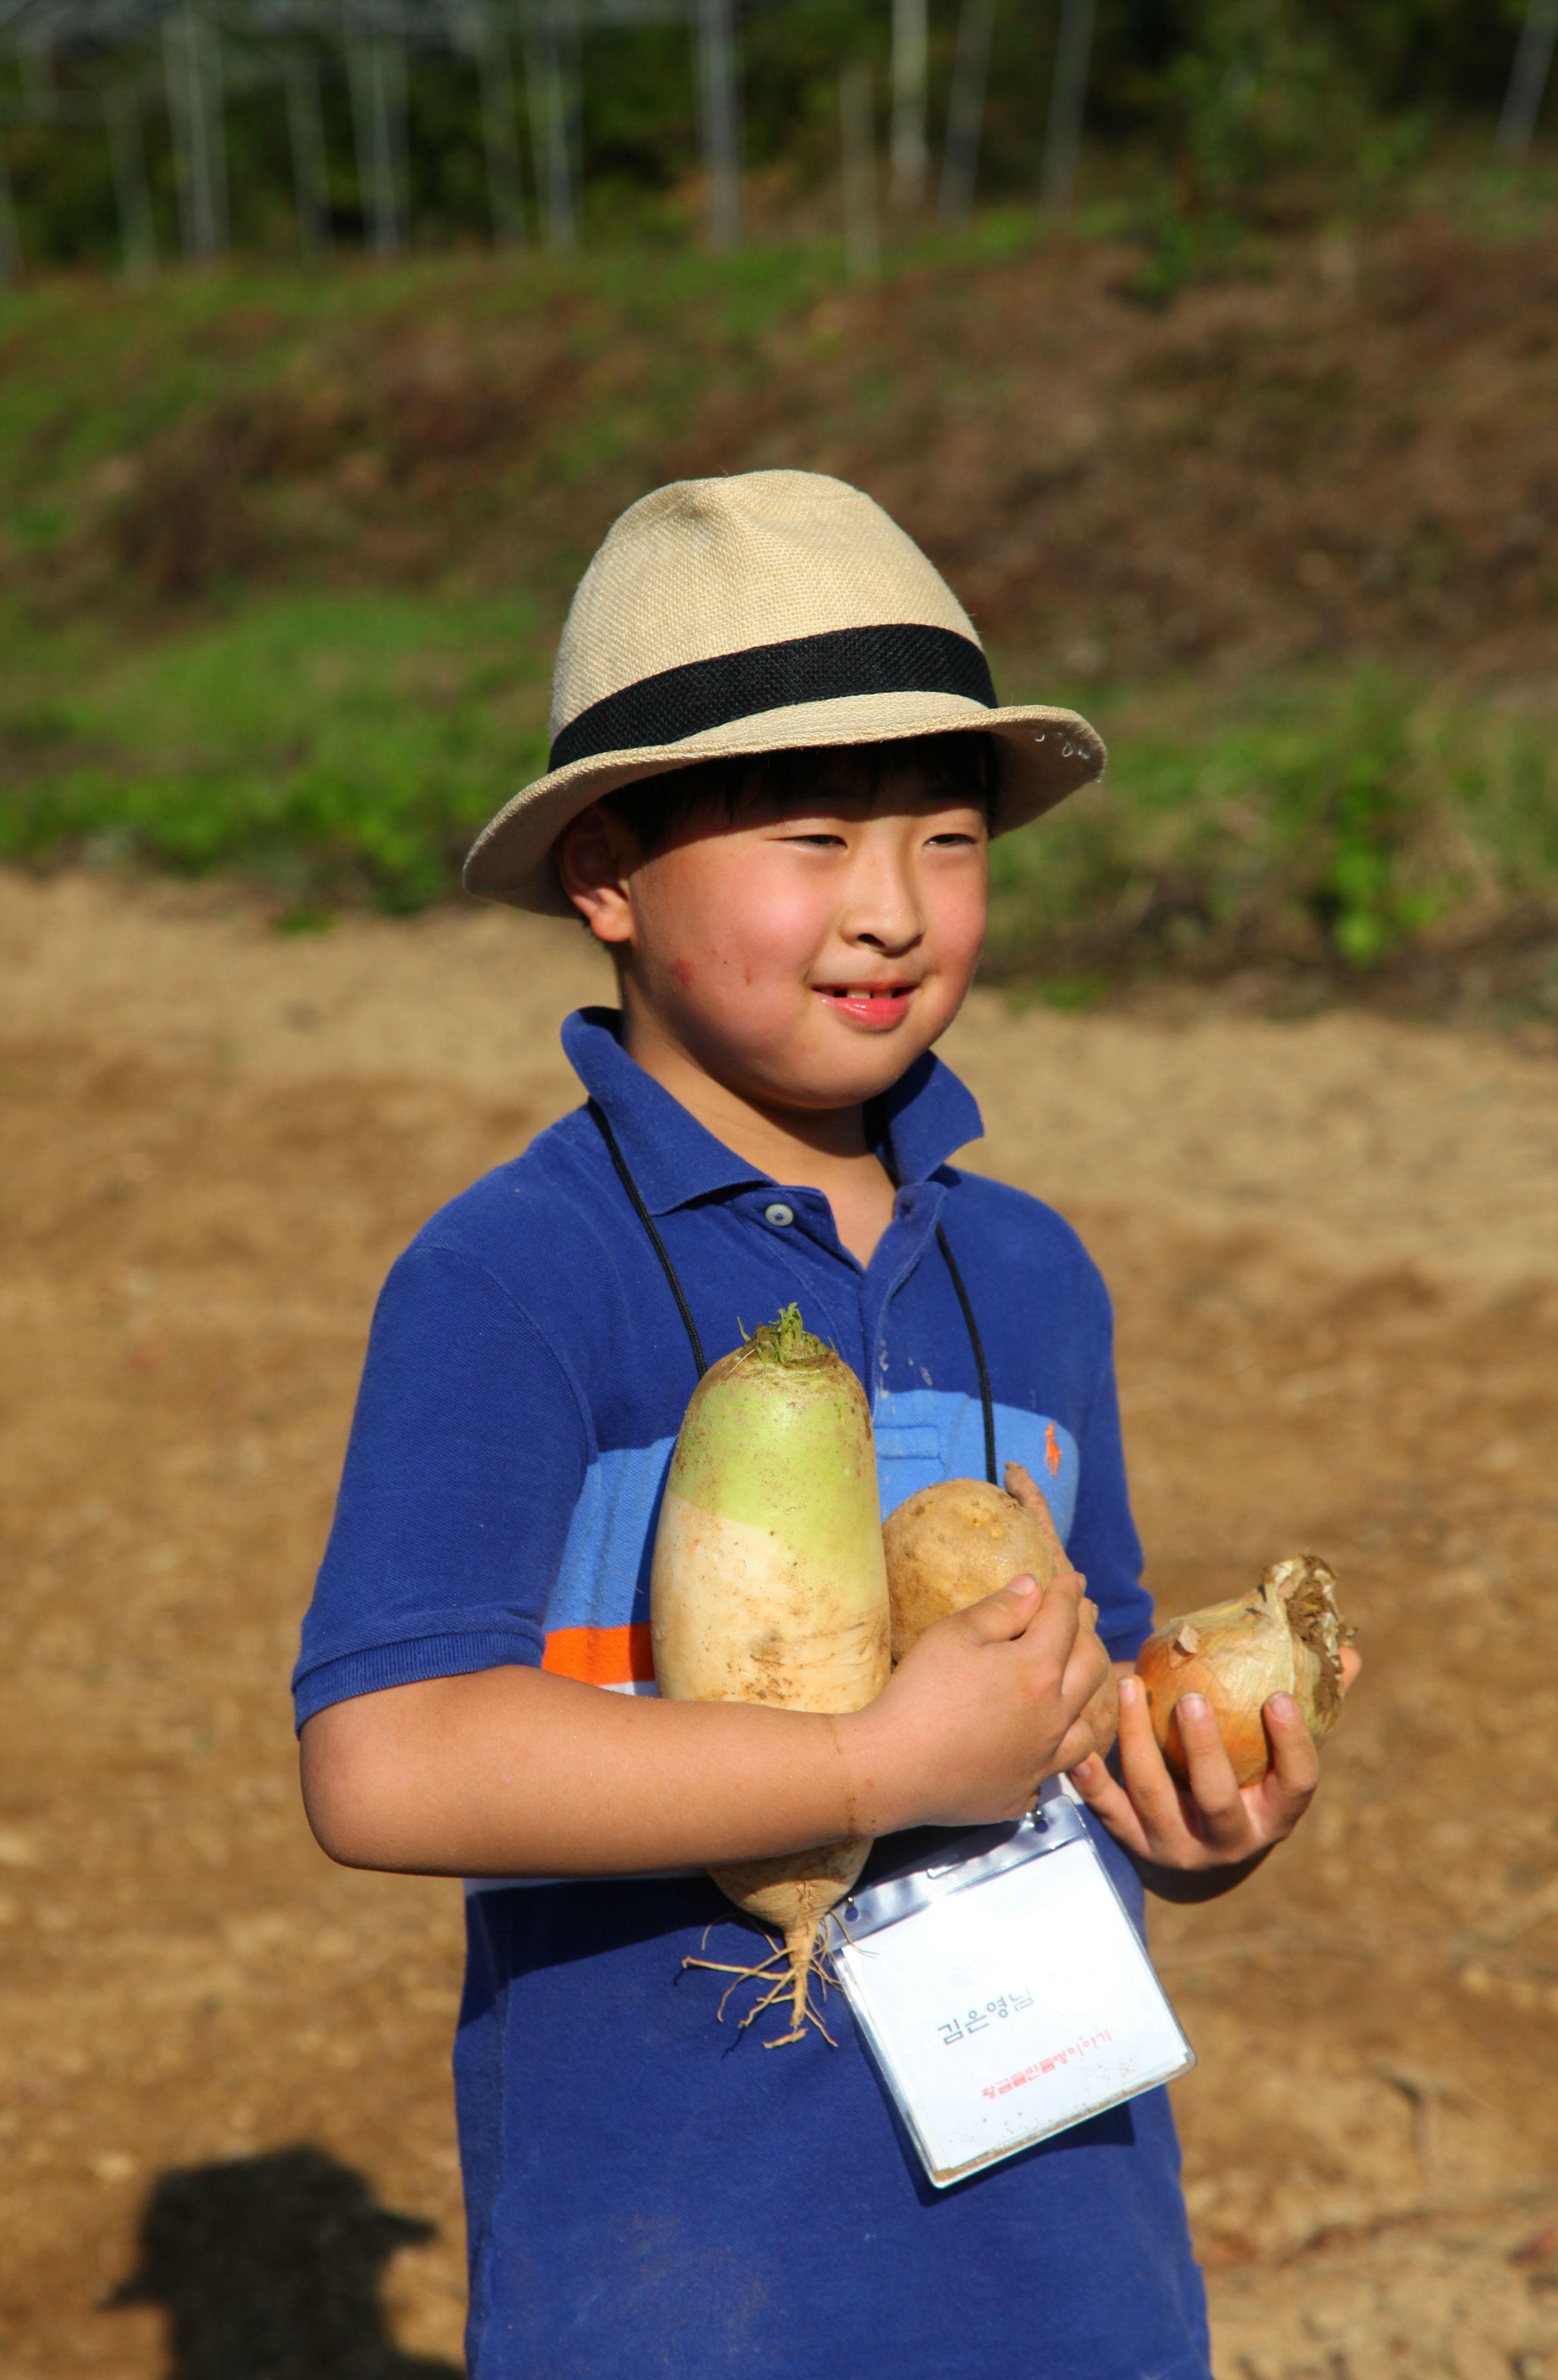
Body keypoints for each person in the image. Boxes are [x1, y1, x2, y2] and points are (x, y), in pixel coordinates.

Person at [295, 471, 1358, 2379]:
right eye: (812, 836)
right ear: (608, 874)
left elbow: (1072, 1708)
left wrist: (1196, 1808)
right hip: (692, 2278)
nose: (890, 910)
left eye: (947, 839)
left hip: (1066, 2259)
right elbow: (384, 1763)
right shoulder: (518, 1280)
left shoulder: (1029, 1272)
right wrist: (868, 1769)